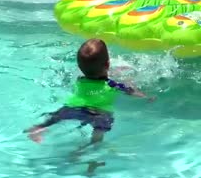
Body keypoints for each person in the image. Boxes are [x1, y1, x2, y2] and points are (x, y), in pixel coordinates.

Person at [24, 39, 154, 149]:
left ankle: (38, 128)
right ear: (108, 64)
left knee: (57, 116)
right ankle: (87, 149)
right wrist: (146, 96)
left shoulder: (79, 79)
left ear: (80, 68)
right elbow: (130, 91)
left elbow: (94, 74)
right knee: (99, 131)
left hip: (73, 107)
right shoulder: (112, 84)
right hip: (99, 113)